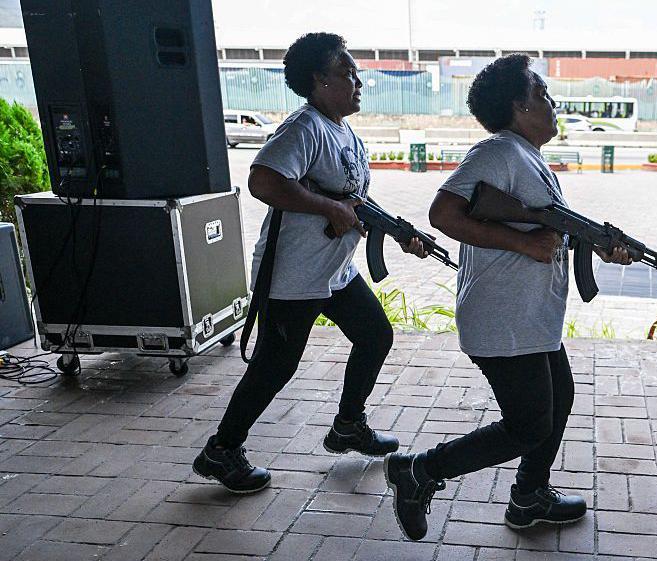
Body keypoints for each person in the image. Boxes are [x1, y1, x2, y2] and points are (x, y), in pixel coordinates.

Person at [383, 54, 633, 540]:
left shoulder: (525, 157)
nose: (553, 102)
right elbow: (443, 214)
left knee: (559, 400)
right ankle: (418, 472)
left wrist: (599, 245)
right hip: (503, 320)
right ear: (520, 106)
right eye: (542, 94)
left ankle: (528, 498)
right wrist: (522, 242)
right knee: (527, 425)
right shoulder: (498, 151)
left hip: (530, 319)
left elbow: (542, 225)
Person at [192, 32, 428, 494]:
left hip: (333, 273)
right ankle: (221, 450)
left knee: (375, 335)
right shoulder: (303, 128)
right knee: (274, 367)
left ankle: (347, 426)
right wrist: (330, 210)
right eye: (347, 73)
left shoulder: (344, 132)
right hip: (292, 276)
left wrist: (398, 230)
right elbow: (263, 181)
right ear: (319, 81)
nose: (358, 81)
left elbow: (353, 198)